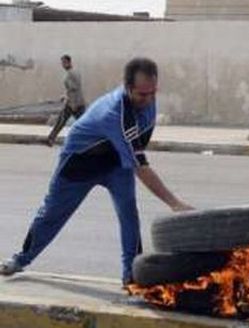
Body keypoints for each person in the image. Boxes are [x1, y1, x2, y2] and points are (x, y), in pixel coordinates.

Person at [1, 57, 193, 286]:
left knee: (129, 215)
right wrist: (174, 202)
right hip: (80, 163)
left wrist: (129, 157)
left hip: (115, 163)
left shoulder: (146, 100)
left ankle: (131, 277)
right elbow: (141, 165)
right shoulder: (117, 113)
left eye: (153, 92)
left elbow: (137, 148)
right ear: (127, 87)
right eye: (142, 94)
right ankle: (21, 259)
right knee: (51, 215)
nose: (149, 99)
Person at [46, 55, 87, 147]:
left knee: (62, 121)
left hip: (74, 103)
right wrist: (65, 96)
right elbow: (71, 89)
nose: (62, 64)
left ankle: (51, 138)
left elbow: (75, 88)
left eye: (64, 62)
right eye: (62, 62)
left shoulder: (72, 73)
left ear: (68, 62)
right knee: (65, 121)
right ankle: (51, 138)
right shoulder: (73, 72)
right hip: (75, 102)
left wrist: (72, 103)